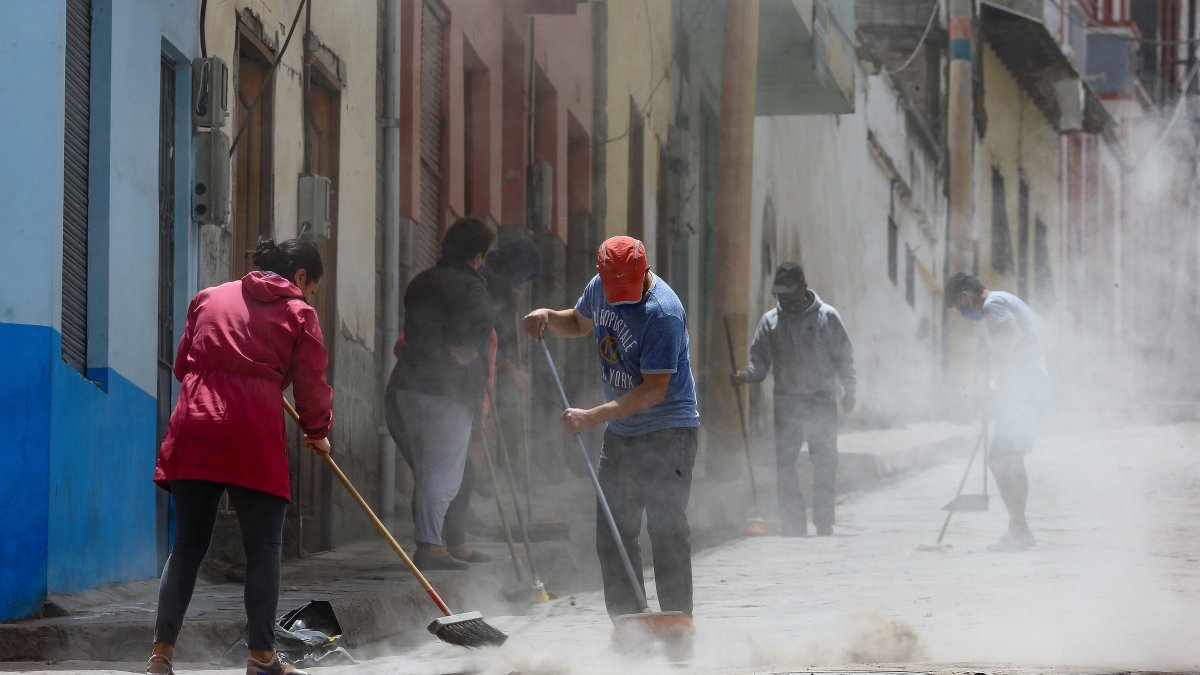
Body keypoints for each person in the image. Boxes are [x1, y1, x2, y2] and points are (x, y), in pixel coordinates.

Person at [150, 239, 333, 675]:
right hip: (253, 429)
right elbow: (311, 384)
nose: (309, 297)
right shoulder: (299, 313)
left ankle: (161, 654)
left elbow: (182, 366)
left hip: (197, 421)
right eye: (312, 288)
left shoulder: (208, 297)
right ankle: (262, 657)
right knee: (264, 548)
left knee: (187, 546)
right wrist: (318, 432)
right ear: (301, 277)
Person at [523, 236, 700, 629]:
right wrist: (548, 317)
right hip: (623, 433)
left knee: (666, 528)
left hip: (669, 430)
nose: (619, 297)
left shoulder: (663, 313)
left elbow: (654, 390)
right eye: (613, 288)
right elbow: (578, 321)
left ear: (644, 271)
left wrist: (592, 417)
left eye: (628, 289)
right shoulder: (600, 286)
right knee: (612, 532)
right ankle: (630, 624)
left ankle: (676, 624)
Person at [386, 218, 495, 570]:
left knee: (432, 469)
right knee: (442, 474)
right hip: (445, 394)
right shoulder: (473, 289)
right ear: (478, 256)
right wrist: (463, 354)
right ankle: (431, 547)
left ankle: (451, 543)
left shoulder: (421, 281)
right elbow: (473, 339)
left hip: (405, 389)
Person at [732, 262, 856, 537]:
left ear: (803, 288)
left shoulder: (828, 317)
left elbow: (844, 357)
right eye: (780, 295)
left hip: (821, 399)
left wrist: (849, 389)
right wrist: (746, 375)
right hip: (787, 400)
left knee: (824, 460)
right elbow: (760, 363)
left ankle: (823, 520)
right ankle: (792, 524)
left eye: (789, 293)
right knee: (785, 462)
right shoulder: (770, 322)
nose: (784, 299)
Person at [944, 272, 1049, 552]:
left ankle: (1019, 529)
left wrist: (998, 383)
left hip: (1026, 390)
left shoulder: (993, 305)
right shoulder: (1002, 302)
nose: (964, 313)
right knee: (1007, 457)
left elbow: (1016, 340)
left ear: (966, 296)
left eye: (960, 307)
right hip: (1024, 389)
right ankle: (1019, 528)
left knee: (1004, 457)